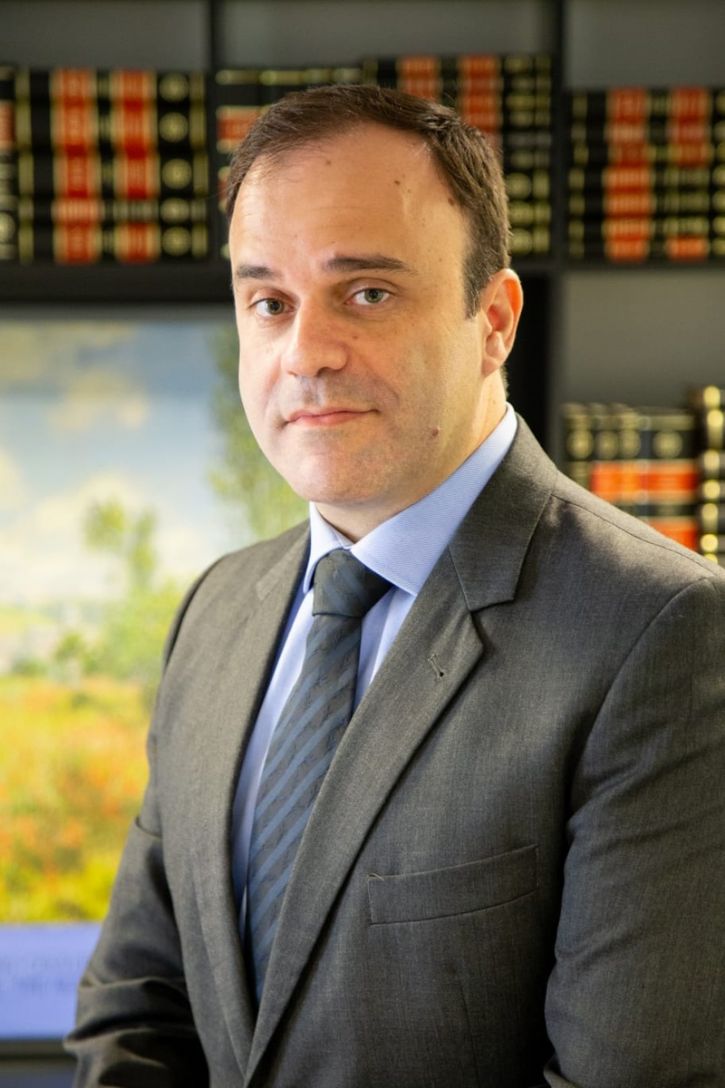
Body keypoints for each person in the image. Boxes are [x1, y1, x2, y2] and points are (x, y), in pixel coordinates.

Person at [66, 85, 725, 1088]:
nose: (304, 353)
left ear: (492, 320)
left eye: (366, 293)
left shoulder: (660, 632)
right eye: (268, 303)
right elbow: (136, 1013)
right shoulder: (216, 610)